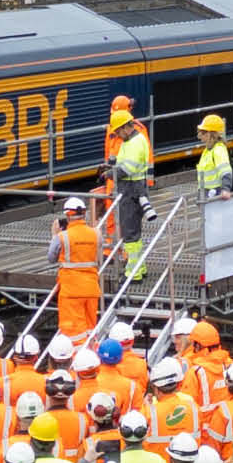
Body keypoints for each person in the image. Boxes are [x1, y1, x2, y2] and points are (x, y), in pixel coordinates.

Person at [109, 108, 154, 280]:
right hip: (135, 189)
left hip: (130, 190)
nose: (118, 135)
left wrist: (110, 174)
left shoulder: (134, 143)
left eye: (118, 131)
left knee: (130, 233)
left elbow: (128, 168)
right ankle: (138, 267)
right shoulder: (137, 140)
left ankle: (133, 273)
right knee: (134, 232)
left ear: (126, 127)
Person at [49, 198, 103, 338]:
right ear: (84, 214)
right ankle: (91, 355)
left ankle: (74, 357)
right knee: (91, 330)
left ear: (67, 216)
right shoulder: (96, 234)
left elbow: (51, 258)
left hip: (71, 291)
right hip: (91, 289)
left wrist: (54, 235)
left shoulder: (62, 236)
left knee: (72, 333)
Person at [194, 116, 233, 198]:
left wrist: (226, 190)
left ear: (210, 134)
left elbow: (226, 172)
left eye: (202, 132)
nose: (200, 136)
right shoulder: (207, 151)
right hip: (207, 196)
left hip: (215, 197)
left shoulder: (218, 150)